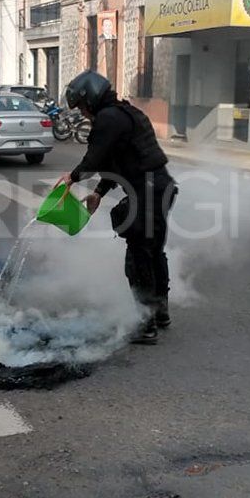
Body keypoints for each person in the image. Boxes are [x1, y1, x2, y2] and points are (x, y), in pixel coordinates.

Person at [58, 70, 177, 345]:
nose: (83, 114)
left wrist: (72, 177)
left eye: (82, 108)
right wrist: (99, 192)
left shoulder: (109, 119)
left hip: (147, 193)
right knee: (153, 252)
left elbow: (95, 158)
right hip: (161, 188)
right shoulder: (127, 113)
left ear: (91, 99)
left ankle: (146, 325)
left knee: (138, 258)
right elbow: (118, 161)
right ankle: (160, 313)